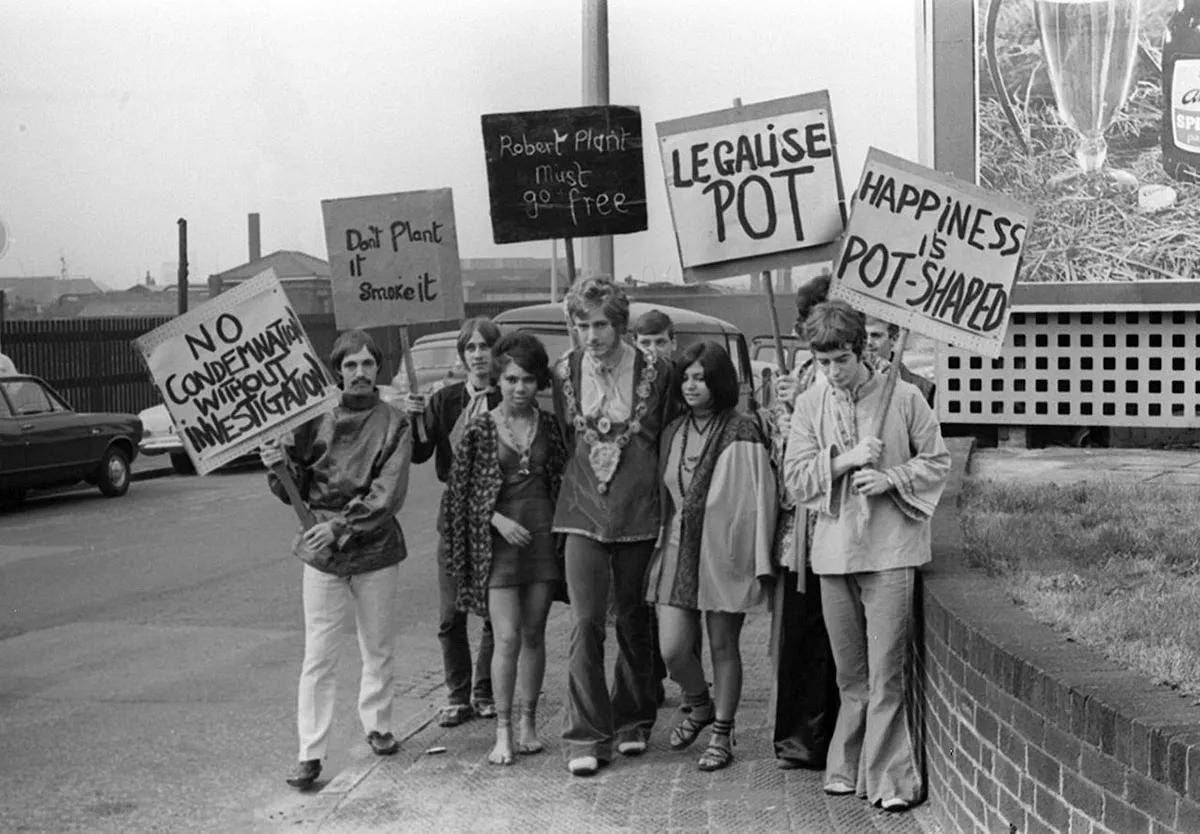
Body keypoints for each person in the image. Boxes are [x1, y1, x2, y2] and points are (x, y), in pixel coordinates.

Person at [783, 301, 950, 812]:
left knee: (886, 674)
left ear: (863, 351)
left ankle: (890, 780)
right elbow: (796, 478)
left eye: (842, 360)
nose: (833, 371)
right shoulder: (810, 403)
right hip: (834, 554)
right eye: (823, 362)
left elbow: (937, 461)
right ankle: (846, 767)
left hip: (891, 552)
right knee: (850, 676)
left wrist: (890, 477)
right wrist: (844, 461)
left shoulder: (904, 397)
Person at [261, 329, 413, 791]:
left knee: (377, 645)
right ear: (337, 370)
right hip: (321, 550)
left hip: (374, 546)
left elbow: (387, 492)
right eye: (350, 365)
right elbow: (293, 486)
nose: (359, 373)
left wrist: (342, 526)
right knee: (319, 654)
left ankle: (378, 724)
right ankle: (310, 752)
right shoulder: (314, 418)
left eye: (367, 364)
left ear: (378, 368)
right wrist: (276, 463)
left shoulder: (395, 422)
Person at [551, 276, 676, 777]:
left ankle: (633, 718)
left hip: (639, 511)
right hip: (581, 510)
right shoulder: (564, 370)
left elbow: (667, 437)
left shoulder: (658, 371)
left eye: (601, 325)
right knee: (585, 622)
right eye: (582, 325)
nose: (592, 335)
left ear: (620, 325)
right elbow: (566, 440)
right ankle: (585, 733)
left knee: (632, 617)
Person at [644, 341, 776, 771]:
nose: (691, 385)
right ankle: (699, 703)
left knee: (723, 645)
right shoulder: (673, 431)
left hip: (723, 551)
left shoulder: (742, 429)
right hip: (677, 548)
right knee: (672, 650)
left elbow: (756, 499)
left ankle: (722, 731)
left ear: (718, 380)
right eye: (685, 378)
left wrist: (754, 558)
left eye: (700, 377)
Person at [441, 332, 567, 766]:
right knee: (507, 636)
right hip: (497, 547)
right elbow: (458, 495)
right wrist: (496, 519)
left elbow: (563, 479)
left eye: (528, 379)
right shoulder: (479, 428)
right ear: (498, 379)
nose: (520, 387)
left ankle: (529, 724)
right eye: (511, 379)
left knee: (534, 634)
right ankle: (502, 731)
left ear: (539, 382)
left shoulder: (550, 426)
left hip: (542, 541)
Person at [403, 318, 501, 727]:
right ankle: (458, 695)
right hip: (455, 512)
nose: (478, 355)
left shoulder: (509, 396)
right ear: (462, 356)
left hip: (496, 512)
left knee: (495, 610)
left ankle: (485, 690)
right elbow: (420, 454)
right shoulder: (444, 400)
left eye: (485, 347)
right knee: (450, 612)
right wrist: (413, 420)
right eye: (470, 348)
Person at [762, 273, 840, 771]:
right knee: (800, 634)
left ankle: (834, 736)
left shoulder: (860, 369)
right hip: (800, 530)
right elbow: (780, 458)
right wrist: (787, 425)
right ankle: (799, 739)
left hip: (839, 519)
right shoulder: (796, 375)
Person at [864, 316, 936, 406]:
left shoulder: (925, 391)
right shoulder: (848, 385)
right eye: (863, 336)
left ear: (894, 339)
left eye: (876, 336)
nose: (868, 342)